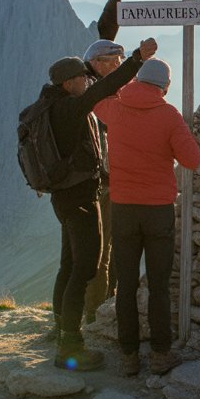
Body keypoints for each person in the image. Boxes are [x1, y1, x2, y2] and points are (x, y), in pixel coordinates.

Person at [45, 37, 157, 370]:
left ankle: (61, 330)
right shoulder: (72, 107)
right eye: (82, 78)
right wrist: (137, 59)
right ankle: (71, 345)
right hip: (81, 198)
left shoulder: (51, 103)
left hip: (64, 196)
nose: (87, 82)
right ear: (69, 83)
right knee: (86, 267)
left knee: (69, 264)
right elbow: (105, 88)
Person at [94, 58, 200, 376]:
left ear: (137, 80)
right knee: (158, 285)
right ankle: (159, 354)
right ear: (165, 87)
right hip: (157, 210)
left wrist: (122, 78)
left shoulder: (114, 108)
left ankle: (128, 356)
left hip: (123, 208)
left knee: (126, 284)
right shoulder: (169, 115)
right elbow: (193, 160)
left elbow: (96, 99)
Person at [81, 36, 126, 323]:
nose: (119, 66)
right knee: (102, 250)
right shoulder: (96, 94)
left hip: (103, 181)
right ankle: (97, 312)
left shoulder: (89, 89)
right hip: (104, 183)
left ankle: (101, 306)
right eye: (115, 61)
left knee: (108, 248)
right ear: (98, 63)